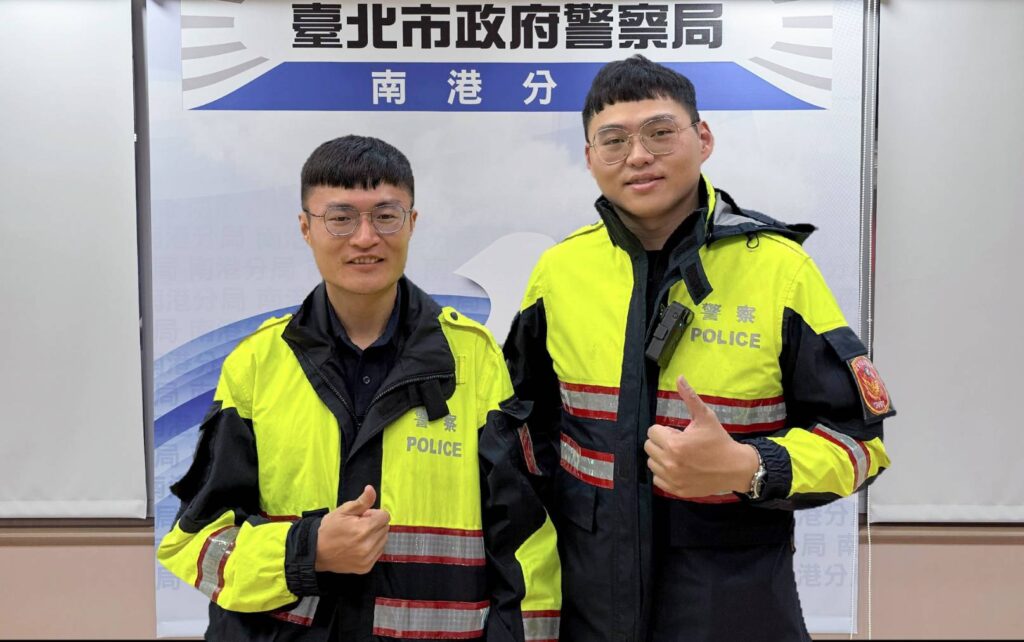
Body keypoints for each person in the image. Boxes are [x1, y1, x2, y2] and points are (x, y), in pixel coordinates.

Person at [503, 55, 894, 641]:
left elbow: (860, 445)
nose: (638, 156)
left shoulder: (779, 270)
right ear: (589, 157)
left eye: (660, 133)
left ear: (703, 138)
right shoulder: (558, 273)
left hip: (736, 606)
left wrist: (749, 466)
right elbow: (522, 433)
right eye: (614, 140)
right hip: (590, 606)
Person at [158, 135, 561, 641]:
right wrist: (307, 551)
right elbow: (198, 541)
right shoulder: (257, 363)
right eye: (341, 218)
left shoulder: (473, 359)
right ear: (306, 227)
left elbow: (523, 542)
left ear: (412, 223)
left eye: (386, 216)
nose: (365, 237)